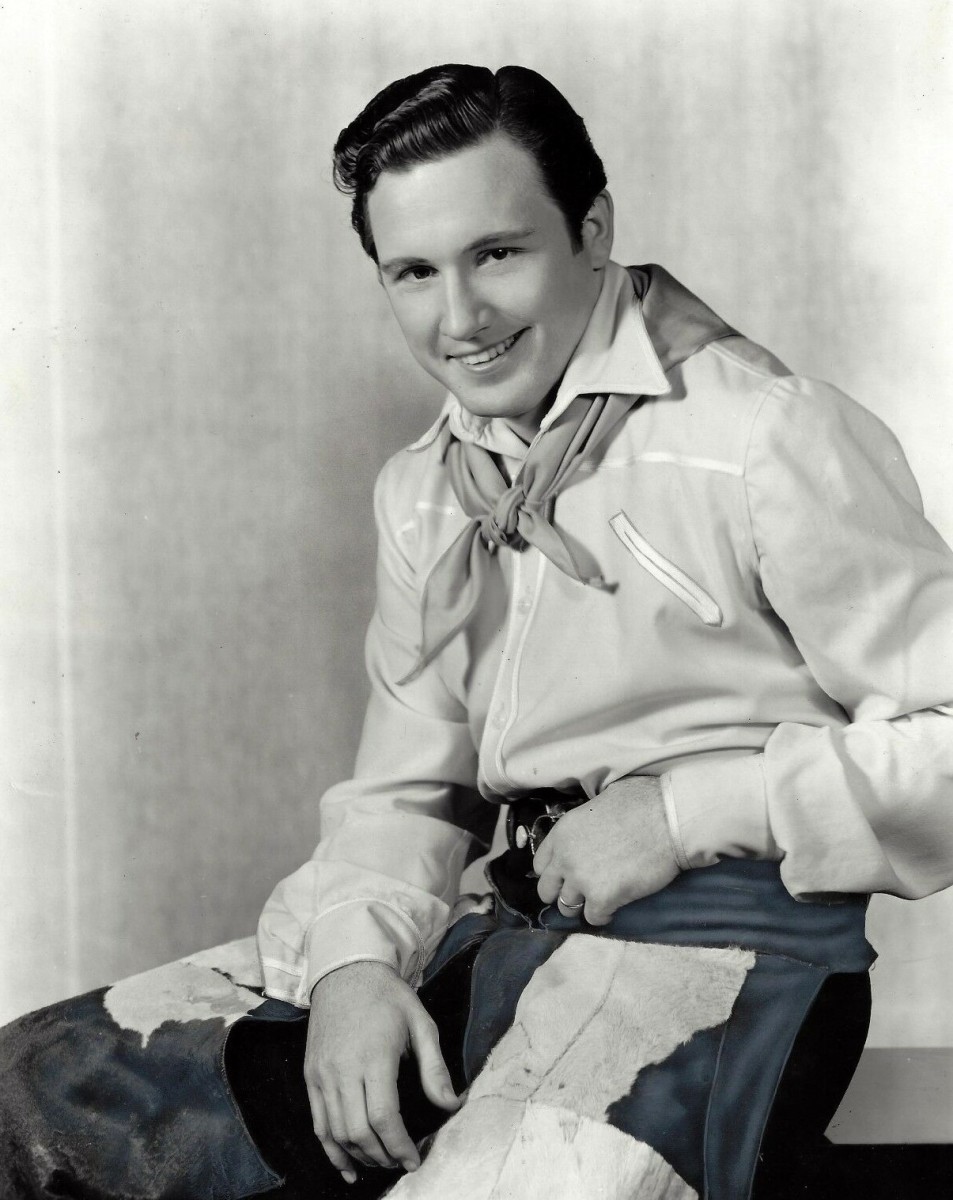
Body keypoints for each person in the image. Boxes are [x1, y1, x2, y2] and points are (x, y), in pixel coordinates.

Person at [2, 61, 952, 1200]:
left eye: (496, 254)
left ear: (591, 228)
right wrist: (353, 969)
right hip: (509, 937)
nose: (459, 320)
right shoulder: (425, 488)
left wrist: (679, 813)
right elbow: (405, 797)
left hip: (735, 961)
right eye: (413, 272)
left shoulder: (763, 433)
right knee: (40, 1087)